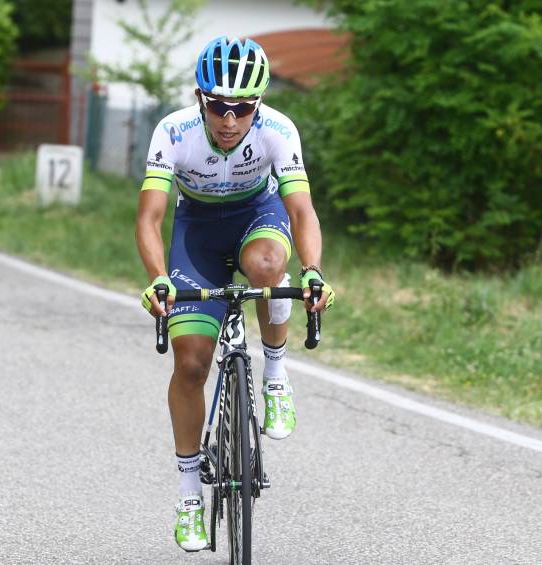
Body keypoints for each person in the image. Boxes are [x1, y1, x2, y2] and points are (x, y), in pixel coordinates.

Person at [136, 36, 335, 552]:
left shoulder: (277, 131)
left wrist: (312, 270)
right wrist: (159, 275)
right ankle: (187, 496)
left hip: (257, 217)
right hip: (195, 234)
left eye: (243, 107)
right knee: (192, 364)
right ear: (201, 99)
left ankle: (274, 373)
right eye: (219, 106)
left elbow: (301, 212)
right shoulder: (174, 132)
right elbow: (151, 217)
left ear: (258, 104)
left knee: (269, 266)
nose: (229, 119)